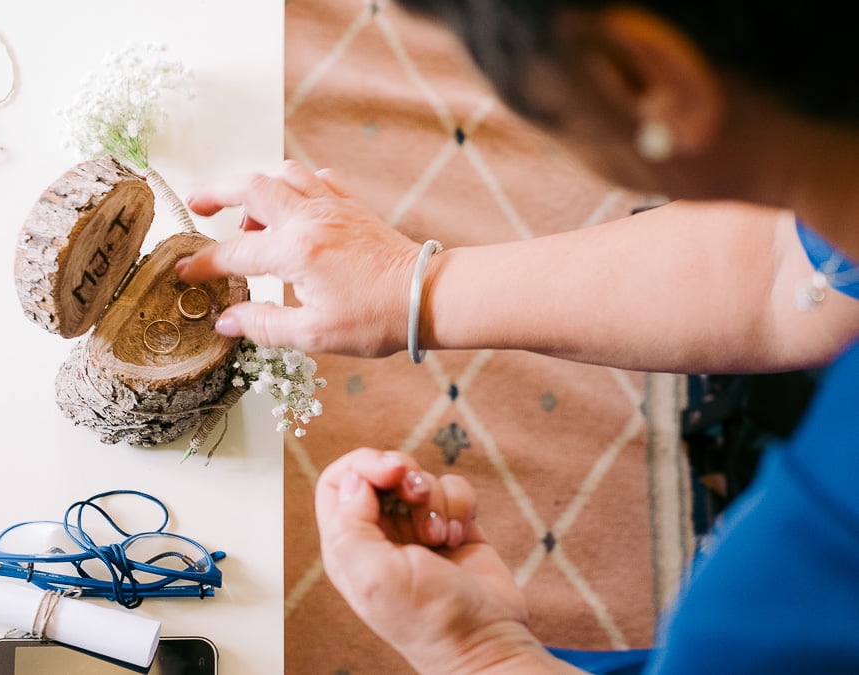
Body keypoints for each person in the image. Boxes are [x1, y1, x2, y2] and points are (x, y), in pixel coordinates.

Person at [177, 1, 859, 672]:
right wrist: (408, 287)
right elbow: (786, 268)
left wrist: (477, 653)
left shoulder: (795, 571)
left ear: (637, 76)